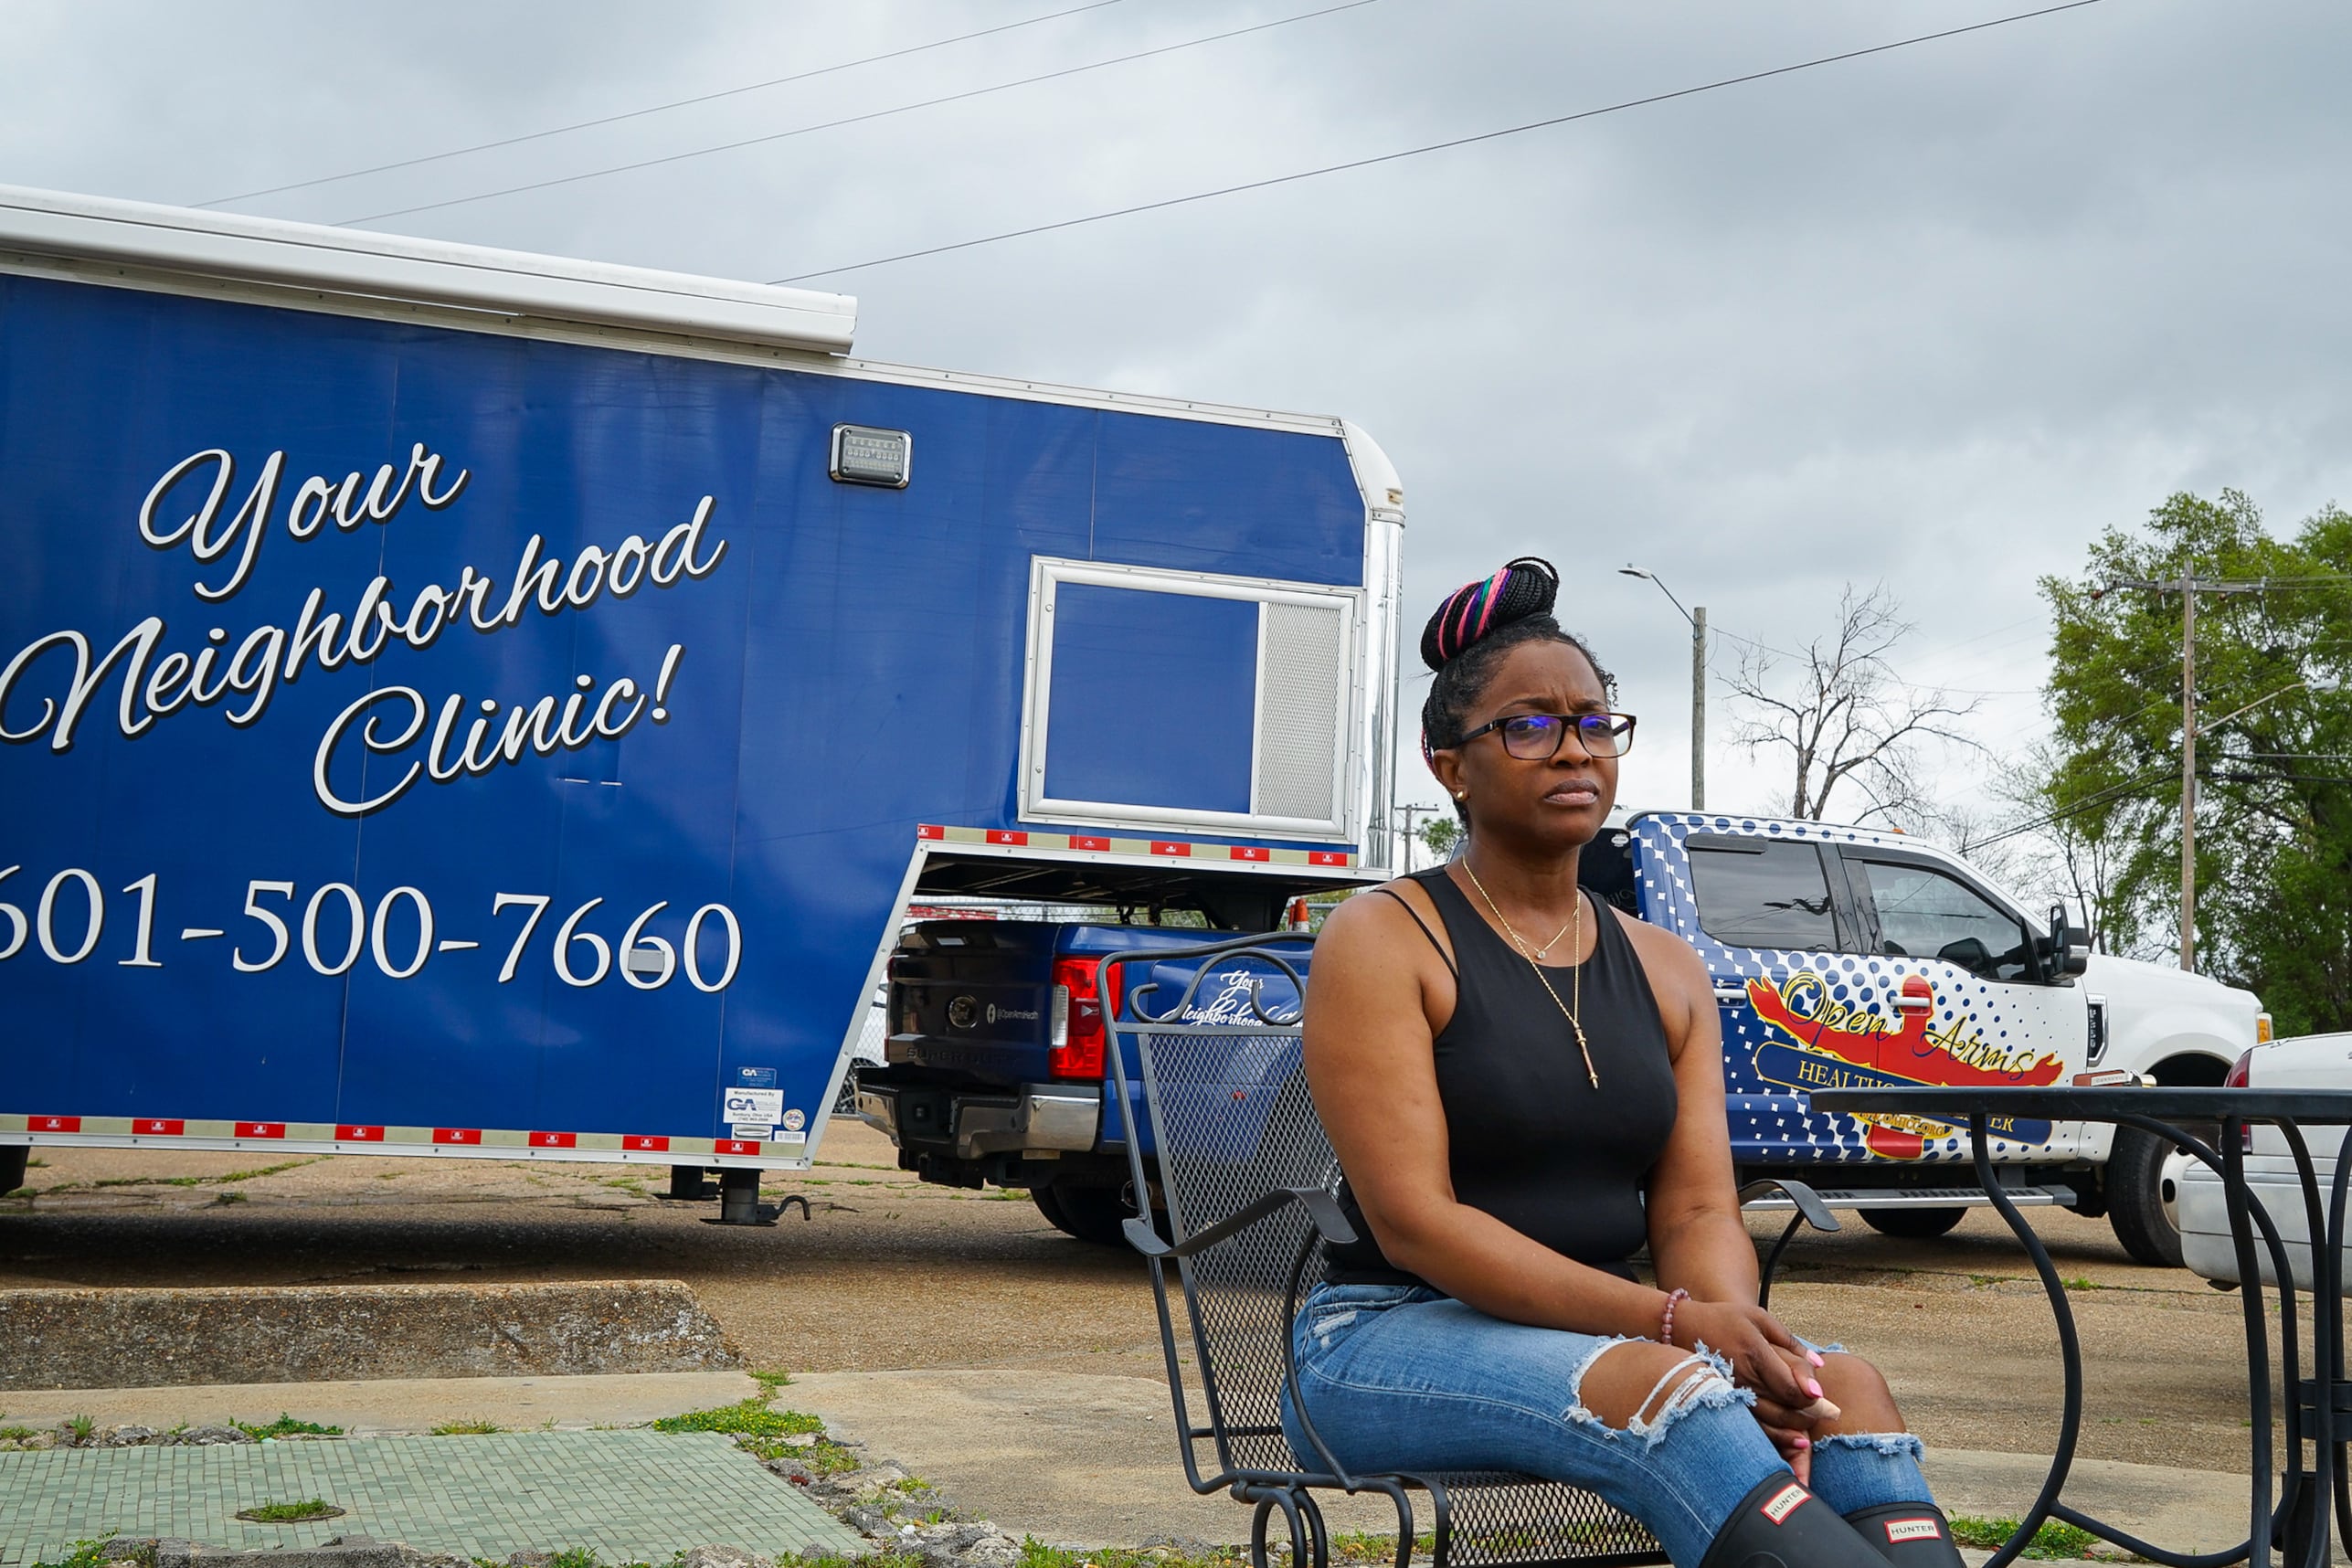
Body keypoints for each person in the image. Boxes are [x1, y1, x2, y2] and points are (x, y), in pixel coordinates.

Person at [1280, 557, 1961, 1568]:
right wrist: (1677, 1326)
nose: (1574, 752)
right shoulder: (1386, 940)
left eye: (1595, 723)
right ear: (1448, 763)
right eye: (1529, 726)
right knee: (1674, 1393)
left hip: (1612, 1341)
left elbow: (1694, 1213)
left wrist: (1734, 1331)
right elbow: (1417, 1226)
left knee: (1840, 1390)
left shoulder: (1666, 966)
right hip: (1387, 1339)